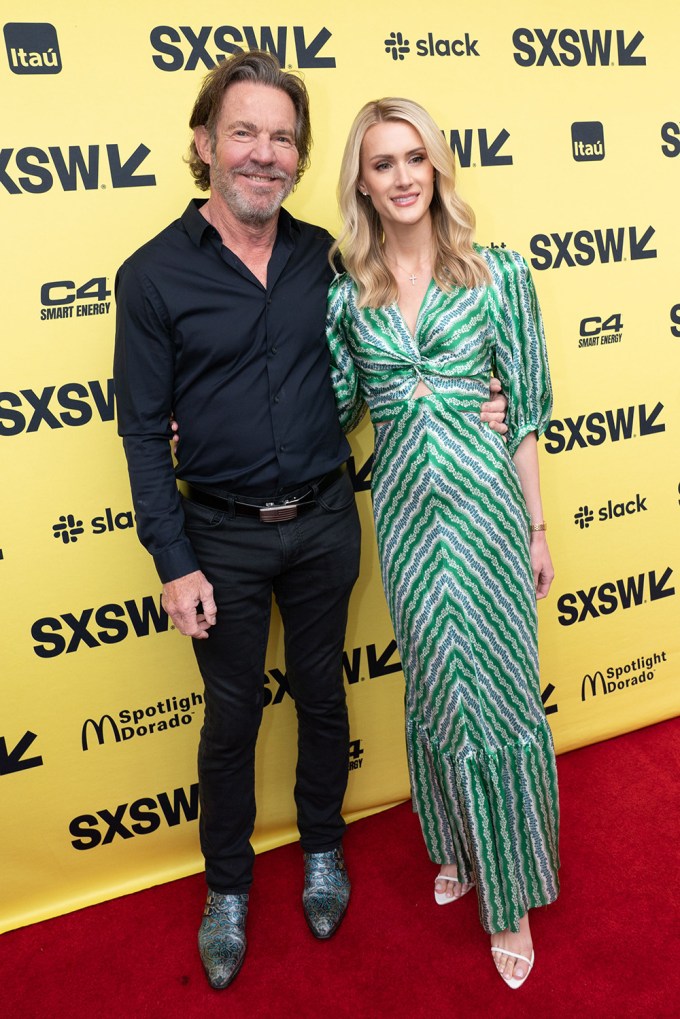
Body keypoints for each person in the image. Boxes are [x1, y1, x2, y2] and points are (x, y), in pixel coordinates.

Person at [113, 52, 509, 991]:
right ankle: (228, 886)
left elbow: (392, 355)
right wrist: (175, 561)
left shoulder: (328, 260)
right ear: (205, 144)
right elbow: (138, 434)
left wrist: (479, 396)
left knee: (325, 698)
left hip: (329, 519)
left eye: (282, 137)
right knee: (231, 718)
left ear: (300, 156)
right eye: (242, 133)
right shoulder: (152, 277)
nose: (263, 153)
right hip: (221, 538)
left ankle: (323, 849)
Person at [325, 98, 560, 990]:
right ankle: (457, 839)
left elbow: (527, 410)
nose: (403, 177)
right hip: (412, 528)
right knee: (434, 686)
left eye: (415, 157)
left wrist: (537, 527)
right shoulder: (351, 293)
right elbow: (334, 406)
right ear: (363, 181)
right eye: (383, 163)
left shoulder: (497, 275)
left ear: (438, 167)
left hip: (490, 518)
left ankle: (510, 894)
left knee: (497, 696)